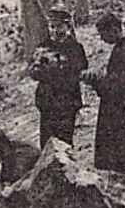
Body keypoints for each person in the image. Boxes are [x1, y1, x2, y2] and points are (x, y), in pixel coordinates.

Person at [82, 12, 125, 173]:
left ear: (114, 30)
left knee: (120, 156)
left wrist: (96, 80)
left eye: (103, 34)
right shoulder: (122, 49)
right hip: (122, 110)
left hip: (122, 112)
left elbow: (118, 88)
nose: (102, 39)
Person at [28, 8, 87, 149]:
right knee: (47, 141)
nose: (55, 31)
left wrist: (58, 67)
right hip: (48, 101)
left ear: (68, 27)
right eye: (52, 27)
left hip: (67, 101)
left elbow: (80, 68)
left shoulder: (75, 48)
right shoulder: (43, 47)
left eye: (59, 26)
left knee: (65, 140)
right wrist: (41, 68)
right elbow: (33, 72)